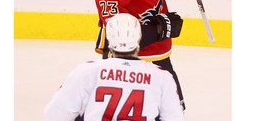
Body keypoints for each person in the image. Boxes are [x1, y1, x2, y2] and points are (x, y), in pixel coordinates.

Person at [95, 0, 207, 111]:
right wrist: (160, 28)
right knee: (125, 112)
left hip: (158, 53)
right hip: (124, 63)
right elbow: (119, 40)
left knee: (173, 110)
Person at [44, 13, 185, 121]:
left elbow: (54, 115)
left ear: (109, 40)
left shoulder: (86, 72)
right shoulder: (162, 77)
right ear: (139, 39)